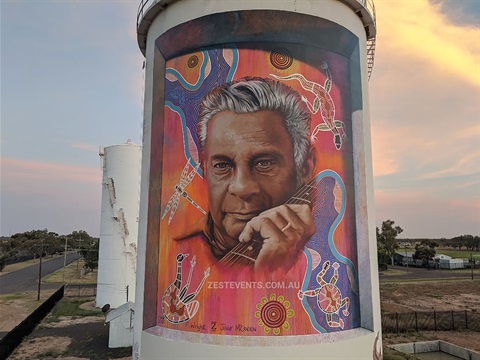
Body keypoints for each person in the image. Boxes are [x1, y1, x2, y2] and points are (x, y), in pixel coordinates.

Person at [177, 77, 317, 273]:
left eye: (264, 163)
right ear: (205, 169)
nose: (242, 187)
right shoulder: (179, 255)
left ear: (305, 168)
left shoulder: (320, 252)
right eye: (222, 165)